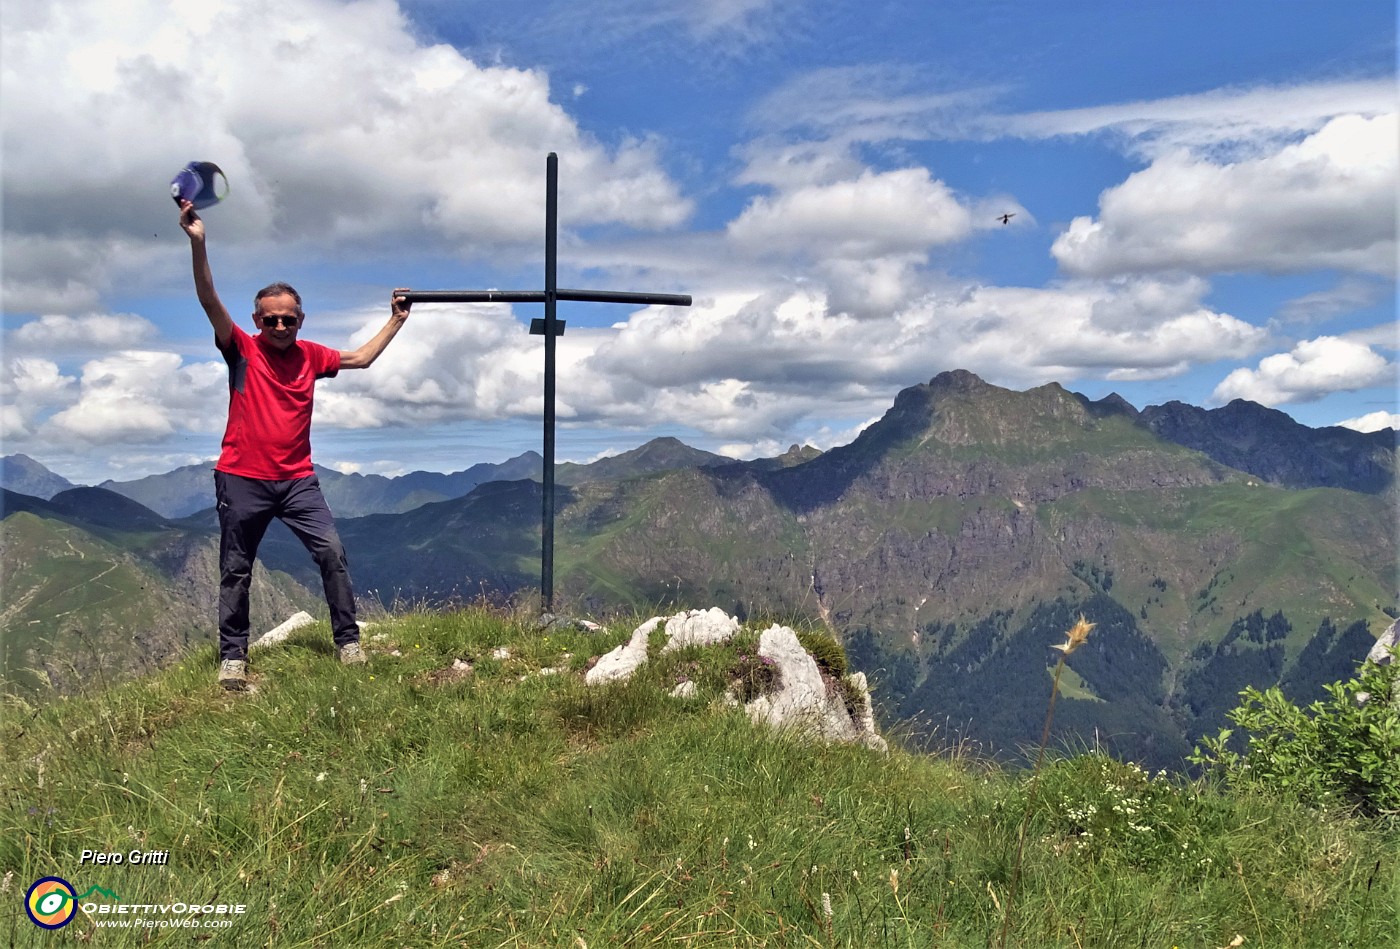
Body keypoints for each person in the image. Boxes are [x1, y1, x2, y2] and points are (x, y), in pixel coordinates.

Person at [179, 199, 411, 691]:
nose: (280, 327)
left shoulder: (311, 356)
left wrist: (395, 320)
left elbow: (362, 358)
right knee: (236, 570)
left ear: (301, 319)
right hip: (242, 478)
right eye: (270, 320)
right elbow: (207, 299)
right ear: (256, 321)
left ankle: (348, 643)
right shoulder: (240, 349)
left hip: (298, 479)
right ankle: (233, 658)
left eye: (288, 319)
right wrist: (199, 244)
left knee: (332, 552)